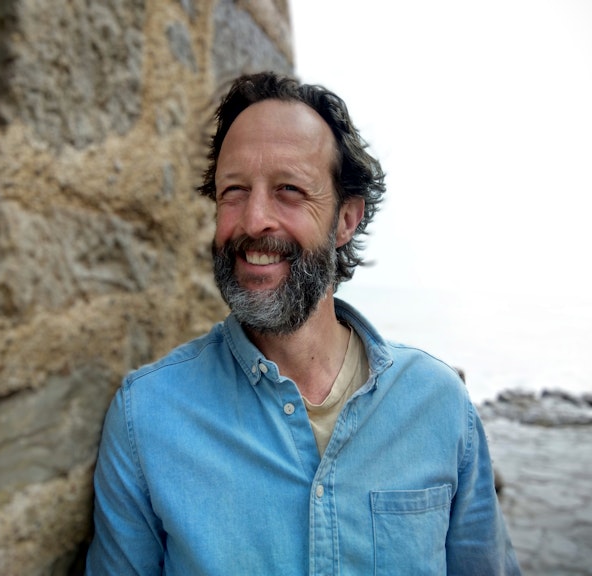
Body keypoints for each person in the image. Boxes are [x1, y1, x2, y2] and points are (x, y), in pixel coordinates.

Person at [86, 71, 521, 575]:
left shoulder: (439, 405)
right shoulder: (147, 418)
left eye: (289, 190)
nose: (253, 221)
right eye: (234, 191)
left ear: (346, 219)